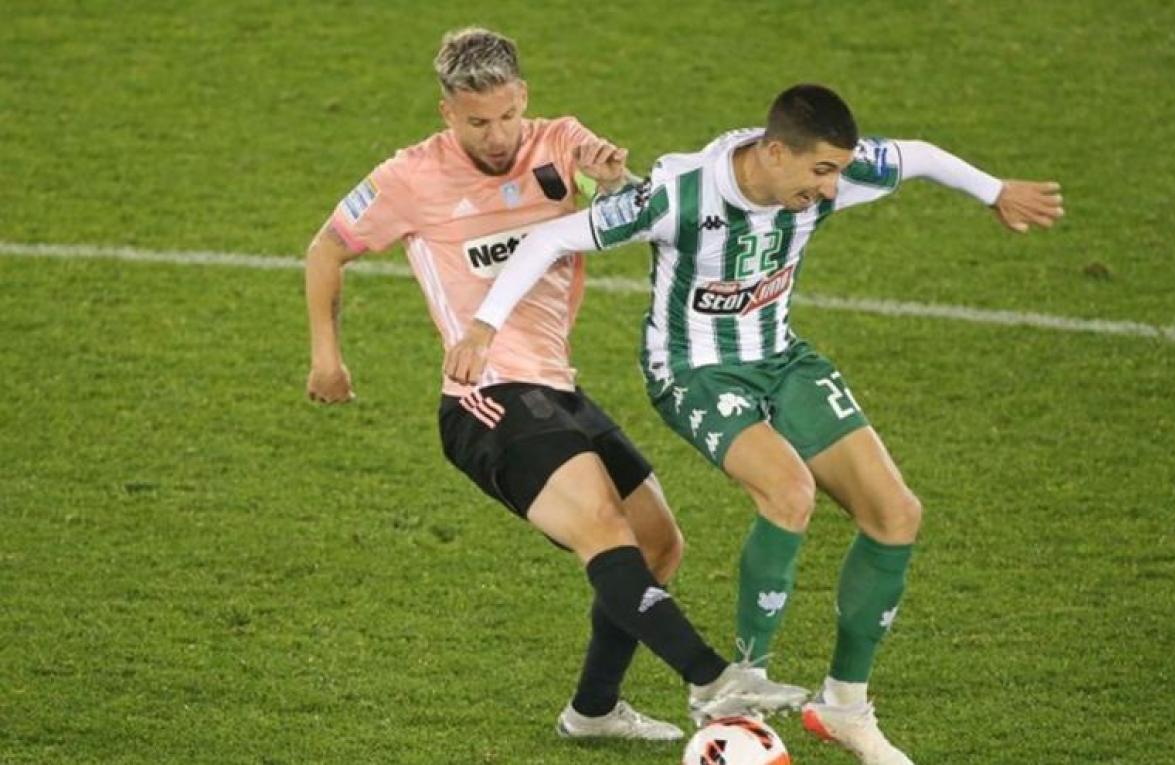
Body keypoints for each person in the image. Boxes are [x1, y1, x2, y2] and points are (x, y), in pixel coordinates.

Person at [445, 83, 1063, 764]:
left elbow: (915, 156)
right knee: (788, 491)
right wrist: (483, 327)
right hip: (695, 371)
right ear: (773, 153)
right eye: (819, 172)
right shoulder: (679, 194)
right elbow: (553, 236)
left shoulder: (827, 174)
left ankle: (845, 705)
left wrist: (995, 190)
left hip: (781, 357)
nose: (831, 190)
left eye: (837, 172)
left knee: (896, 514)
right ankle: (737, 685)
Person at [304, 28, 805, 742]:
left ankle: (593, 710)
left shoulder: (561, 143)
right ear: (448, 112)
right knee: (603, 525)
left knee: (658, 543)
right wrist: (328, 358)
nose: (497, 136)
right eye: (477, 122)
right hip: (484, 396)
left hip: (557, 389)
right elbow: (326, 249)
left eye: (508, 115)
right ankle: (712, 677)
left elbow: (634, 211)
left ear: (524, 97)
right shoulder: (409, 177)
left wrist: (614, 181)